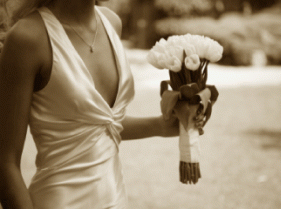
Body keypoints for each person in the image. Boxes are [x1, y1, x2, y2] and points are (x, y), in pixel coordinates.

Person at [0, 0, 210, 208]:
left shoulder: (111, 22)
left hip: (116, 199)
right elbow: (5, 163)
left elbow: (97, 125)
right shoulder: (27, 38)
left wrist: (160, 126)